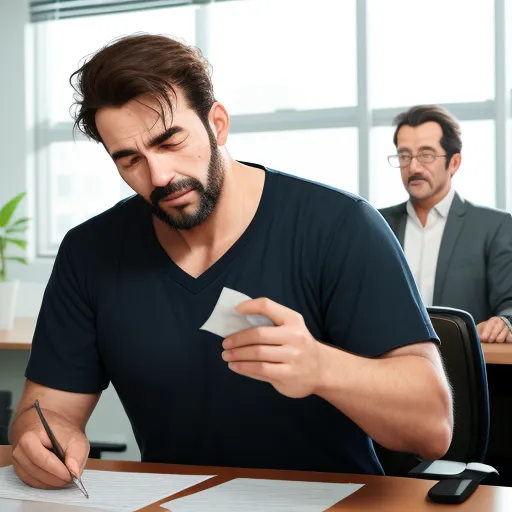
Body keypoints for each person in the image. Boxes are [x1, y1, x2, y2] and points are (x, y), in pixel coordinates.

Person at [10, 35, 452, 490]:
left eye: (170, 141)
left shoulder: (341, 227)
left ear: (217, 123)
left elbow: (432, 429)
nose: (158, 176)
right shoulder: (90, 252)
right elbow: (46, 412)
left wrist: (322, 368)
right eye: (129, 160)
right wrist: (39, 441)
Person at [379, 105, 512, 344]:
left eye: (426, 155)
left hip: (465, 369)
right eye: (404, 155)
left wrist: (505, 322)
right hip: (389, 368)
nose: (414, 167)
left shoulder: (495, 226)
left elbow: (510, 304)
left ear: (454, 163)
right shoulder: (377, 225)